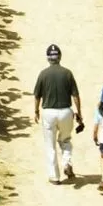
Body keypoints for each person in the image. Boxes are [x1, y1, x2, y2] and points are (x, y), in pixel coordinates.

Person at [33, 44, 83, 184]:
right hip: (66, 112)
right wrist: (79, 113)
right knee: (65, 140)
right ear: (60, 57)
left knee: (50, 145)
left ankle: (55, 177)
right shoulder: (67, 73)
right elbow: (75, 95)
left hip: (48, 113)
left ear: (48, 58)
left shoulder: (43, 74)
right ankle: (67, 162)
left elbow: (37, 96)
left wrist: (36, 111)